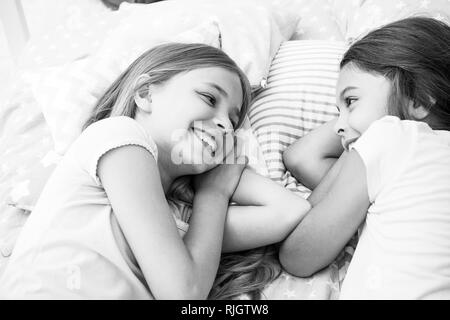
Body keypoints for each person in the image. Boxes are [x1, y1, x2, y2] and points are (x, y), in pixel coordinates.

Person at [0, 43, 310, 299]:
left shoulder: (180, 227)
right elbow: (183, 294)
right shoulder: (117, 136)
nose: (226, 125)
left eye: (233, 120)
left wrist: (213, 185)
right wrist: (215, 192)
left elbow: (290, 210)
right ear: (146, 94)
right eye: (209, 98)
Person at [279, 17, 450, 299]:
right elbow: (305, 159)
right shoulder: (409, 166)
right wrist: (355, 126)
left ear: (418, 100)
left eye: (350, 101)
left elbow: (297, 255)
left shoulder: (393, 138)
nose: (337, 126)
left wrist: (363, 138)